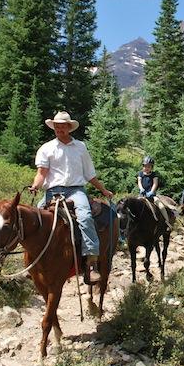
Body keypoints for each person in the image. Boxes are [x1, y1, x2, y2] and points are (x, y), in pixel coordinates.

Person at [28, 111, 113, 284]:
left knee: (85, 217)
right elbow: (41, 173)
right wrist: (35, 186)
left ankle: (91, 261)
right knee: (35, 219)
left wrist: (103, 190)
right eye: (57, 126)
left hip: (75, 190)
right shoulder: (46, 148)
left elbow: (89, 174)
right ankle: (33, 261)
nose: (59, 129)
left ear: (69, 127)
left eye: (62, 126)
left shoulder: (80, 147)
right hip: (52, 191)